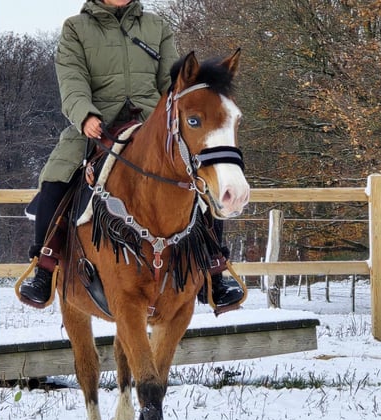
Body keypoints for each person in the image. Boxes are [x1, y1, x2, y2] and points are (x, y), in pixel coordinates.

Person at [19, 0, 244, 310]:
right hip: (97, 124)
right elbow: (72, 82)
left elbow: (172, 83)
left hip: (151, 124)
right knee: (55, 179)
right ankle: (44, 267)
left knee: (198, 175)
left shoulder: (156, 26)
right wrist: (84, 115)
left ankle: (214, 269)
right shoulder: (76, 28)